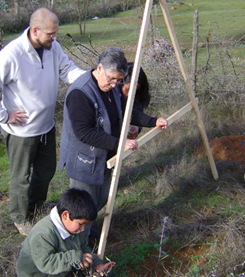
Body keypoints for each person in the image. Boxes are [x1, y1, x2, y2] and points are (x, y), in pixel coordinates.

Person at [0, 8, 85, 235]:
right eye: (50, 34)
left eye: (56, 33)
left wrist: (91, 78)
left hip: (46, 125)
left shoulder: (52, 48)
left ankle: (35, 206)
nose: (55, 38)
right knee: (21, 177)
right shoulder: (12, 54)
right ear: (35, 31)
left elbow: (67, 71)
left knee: (46, 171)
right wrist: (3, 115)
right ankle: (20, 218)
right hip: (21, 132)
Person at [59, 47, 168, 241]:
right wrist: (120, 143)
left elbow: (126, 113)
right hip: (84, 160)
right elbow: (84, 133)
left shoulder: (113, 88)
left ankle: (86, 229)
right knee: (82, 206)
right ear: (99, 68)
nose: (114, 84)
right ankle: (76, 245)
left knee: (100, 199)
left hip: (105, 157)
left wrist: (152, 121)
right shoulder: (80, 93)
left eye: (119, 80)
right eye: (111, 78)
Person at [16, 188, 115, 277]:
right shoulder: (44, 234)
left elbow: (83, 248)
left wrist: (97, 264)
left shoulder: (73, 228)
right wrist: (75, 257)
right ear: (65, 215)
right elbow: (45, 264)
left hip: (61, 274)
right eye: (81, 224)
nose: (83, 229)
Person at [121, 62, 168, 140]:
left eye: (134, 91)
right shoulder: (111, 96)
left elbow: (136, 112)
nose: (129, 94)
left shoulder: (137, 95)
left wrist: (137, 126)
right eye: (127, 89)